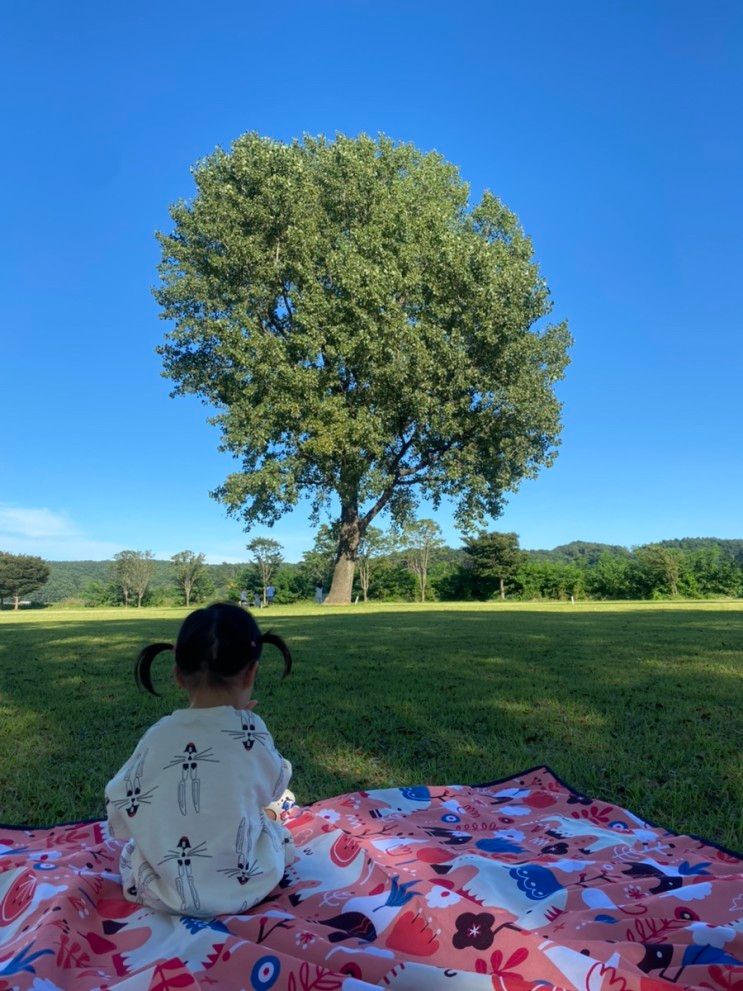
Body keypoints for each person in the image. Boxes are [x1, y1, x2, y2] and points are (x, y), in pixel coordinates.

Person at [105, 602, 295, 917]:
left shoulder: (159, 735)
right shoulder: (250, 731)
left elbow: (120, 807)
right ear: (251, 673)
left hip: (162, 893)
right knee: (278, 823)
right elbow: (275, 785)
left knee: (134, 854)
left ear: (178, 674)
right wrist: (244, 734)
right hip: (244, 889)